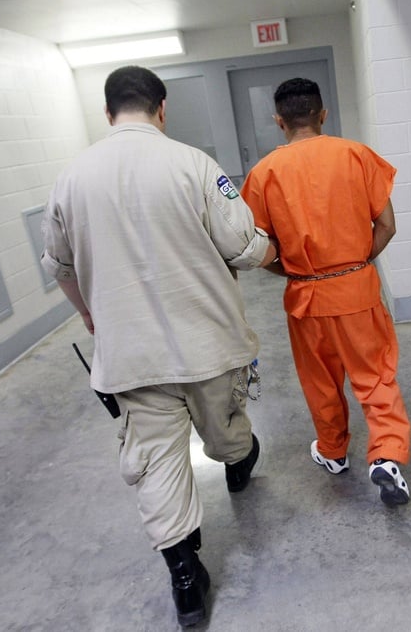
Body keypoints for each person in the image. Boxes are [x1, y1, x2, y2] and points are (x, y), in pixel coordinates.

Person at [40, 65, 277, 627]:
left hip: (130, 356)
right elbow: (244, 247)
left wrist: (89, 314)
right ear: (162, 108)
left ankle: (186, 578)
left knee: (156, 466)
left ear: (107, 113)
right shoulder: (193, 164)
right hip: (207, 342)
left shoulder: (70, 179)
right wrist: (272, 250)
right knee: (224, 430)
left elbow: (58, 265)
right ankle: (239, 463)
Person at [240, 77, 411, 506]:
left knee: (320, 382)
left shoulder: (263, 173)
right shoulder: (356, 155)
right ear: (323, 114)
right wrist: (354, 266)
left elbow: (255, 249)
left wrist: (293, 271)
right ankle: (386, 455)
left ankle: (333, 452)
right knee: (375, 376)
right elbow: (387, 225)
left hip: (305, 298)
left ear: (279, 122)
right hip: (358, 292)